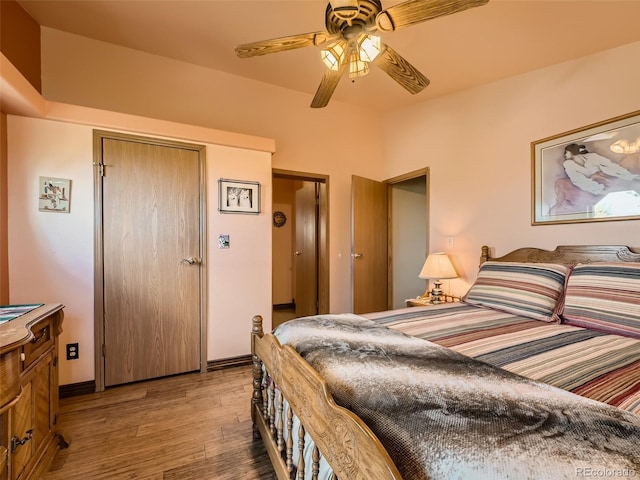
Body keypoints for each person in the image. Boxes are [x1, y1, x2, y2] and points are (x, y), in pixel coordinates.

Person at [562, 143, 639, 195]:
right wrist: (599, 189)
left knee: (633, 185)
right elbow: (578, 180)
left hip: (609, 178)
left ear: (570, 152)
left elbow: (610, 166)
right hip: (596, 186)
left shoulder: (592, 156)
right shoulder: (569, 165)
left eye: (566, 152)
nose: (564, 155)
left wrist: (630, 176)